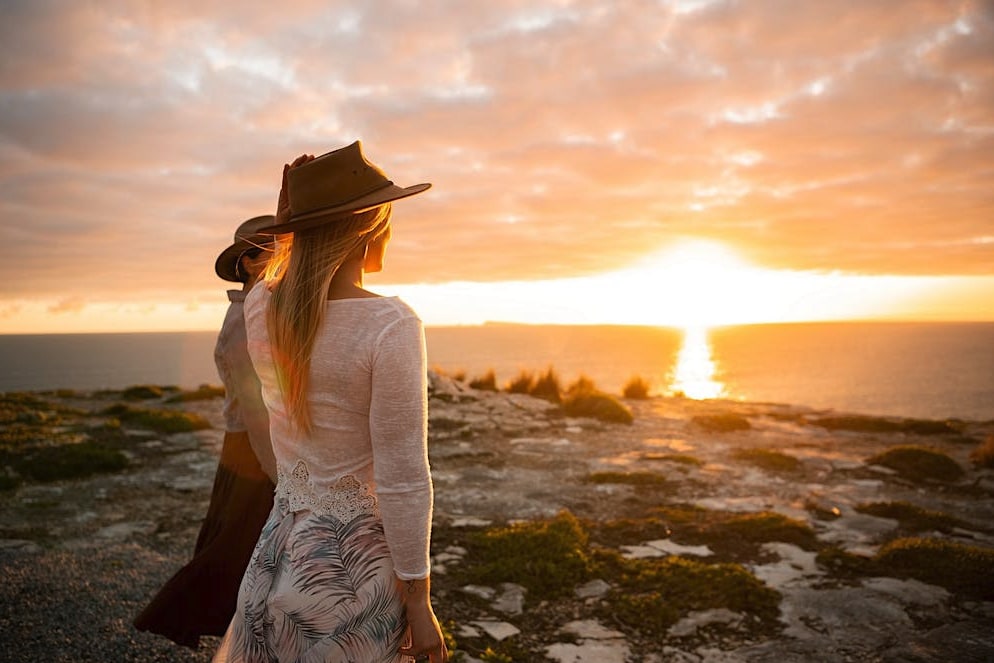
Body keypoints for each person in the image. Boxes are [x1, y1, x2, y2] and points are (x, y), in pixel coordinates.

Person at [213, 142, 447, 663]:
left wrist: (288, 220)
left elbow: (268, 284)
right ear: (370, 228)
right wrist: (420, 605)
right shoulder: (390, 325)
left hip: (276, 559)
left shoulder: (264, 310)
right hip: (350, 576)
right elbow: (404, 476)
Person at [134, 216, 278, 648]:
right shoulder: (246, 318)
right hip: (254, 447)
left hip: (253, 444)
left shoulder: (257, 309)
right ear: (251, 263)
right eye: (278, 252)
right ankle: (181, 616)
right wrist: (278, 471)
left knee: (245, 549)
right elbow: (255, 407)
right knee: (238, 551)